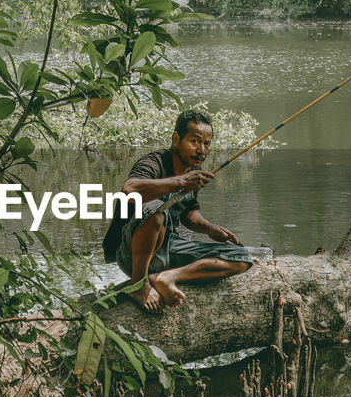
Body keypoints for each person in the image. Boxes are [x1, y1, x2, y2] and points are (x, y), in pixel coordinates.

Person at [103, 108, 253, 312]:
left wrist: (209, 229)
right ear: (176, 139)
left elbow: (189, 214)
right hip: (130, 252)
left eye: (206, 143)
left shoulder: (191, 172)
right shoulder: (153, 163)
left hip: (167, 247)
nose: (202, 150)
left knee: (241, 258)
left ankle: (168, 277)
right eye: (195, 141)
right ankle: (138, 284)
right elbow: (129, 191)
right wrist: (180, 182)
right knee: (156, 213)